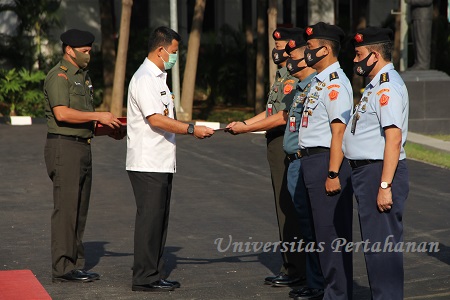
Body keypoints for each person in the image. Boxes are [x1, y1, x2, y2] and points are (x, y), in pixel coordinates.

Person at [126, 26, 215, 293]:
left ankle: (154, 273)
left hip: (161, 161)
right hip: (147, 162)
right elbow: (155, 118)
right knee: (149, 221)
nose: (175, 57)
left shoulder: (158, 77)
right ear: (161, 50)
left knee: (159, 221)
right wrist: (191, 128)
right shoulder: (144, 78)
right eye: (174, 52)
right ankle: (143, 277)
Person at [227, 27, 306, 288]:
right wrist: (244, 122)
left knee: (289, 208)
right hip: (274, 142)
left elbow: (284, 116)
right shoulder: (282, 74)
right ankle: (291, 265)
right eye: (276, 44)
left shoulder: (294, 77)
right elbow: (271, 109)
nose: (278, 49)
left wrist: (247, 128)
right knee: (282, 205)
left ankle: (296, 269)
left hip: (284, 141)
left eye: (283, 45)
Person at [44, 29, 123, 283]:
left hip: (82, 146)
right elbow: (62, 114)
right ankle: (62, 268)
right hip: (64, 148)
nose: (89, 55)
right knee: (66, 209)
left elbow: (82, 120)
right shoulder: (59, 76)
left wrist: (107, 131)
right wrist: (98, 115)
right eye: (85, 51)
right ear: (69, 50)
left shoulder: (83, 77)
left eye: (90, 51)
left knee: (79, 210)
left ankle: (75, 264)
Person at [343, 27, 410, 300]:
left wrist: (384, 184)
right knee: (376, 248)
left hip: (379, 172)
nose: (355, 60)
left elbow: (393, 139)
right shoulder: (375, 85)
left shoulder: (387, 87)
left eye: (359, 54)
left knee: (382, 250)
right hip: (368, 172)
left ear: (374, 55)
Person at [299, 22, 354, 299]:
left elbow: (339, 132)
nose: (305, 53)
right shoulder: (319, 82)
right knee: (321, 236)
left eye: (309, 48)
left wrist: (333, 173)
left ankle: (338, 294)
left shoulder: (335, 85)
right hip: (313, 162)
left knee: (331, 236)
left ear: (325, 49)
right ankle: (331, 291)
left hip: (326, 163)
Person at [282, 36, 325, 300]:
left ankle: (317, 284)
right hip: (296, 161)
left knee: (311, 226)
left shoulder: (315, 87)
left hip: (305, 160)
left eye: (294, 56)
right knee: (305, 225)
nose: (289, 61)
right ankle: (313, 281)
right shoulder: (300, 87)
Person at [406, 0, 433, 70]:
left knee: (422, 41)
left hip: (423, 16)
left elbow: (427, 1)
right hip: (417, 16)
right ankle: (419, 62)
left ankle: (422, 64)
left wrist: (411, 1)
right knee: (417, 41)